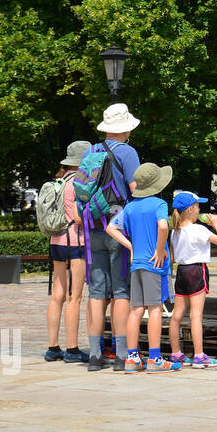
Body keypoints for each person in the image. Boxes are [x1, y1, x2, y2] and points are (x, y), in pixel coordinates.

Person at [83, 104, 142, 372]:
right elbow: (135, 189)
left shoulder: (91, 151)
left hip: (93, 226)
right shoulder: (128, 152)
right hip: (118, 229)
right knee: (121, 292)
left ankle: (95, 356)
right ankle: (121, 355)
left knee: (96, 294)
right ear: (126, 129)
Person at [106, 162, 181, 373]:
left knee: (136, 309)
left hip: (136, 263)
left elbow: (111, 228)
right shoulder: (158, 204)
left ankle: (131, 358)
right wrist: (159, 250)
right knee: (155, 308)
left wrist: (130, 246)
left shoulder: (130, 207)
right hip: (153, 264)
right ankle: (155, 359)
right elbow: (163, 226)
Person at [166, 191, 217, 368]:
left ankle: (176, 353)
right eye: (198, 206)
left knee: (176, 315)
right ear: (191, 210)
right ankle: (199, 355)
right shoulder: (199, 229)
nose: (200, 209)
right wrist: (216, 224)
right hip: (197, 270)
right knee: (195, 315)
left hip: (182, 271)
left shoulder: (175, 232)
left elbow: (172, 257)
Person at [45, 141, 91, 363]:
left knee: (57, 296)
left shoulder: (58, 181)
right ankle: (72, 349)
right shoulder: (78, 183)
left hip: (56, 242)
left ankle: (53, 347)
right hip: (76, 242)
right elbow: (79, 218)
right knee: (75, 297)